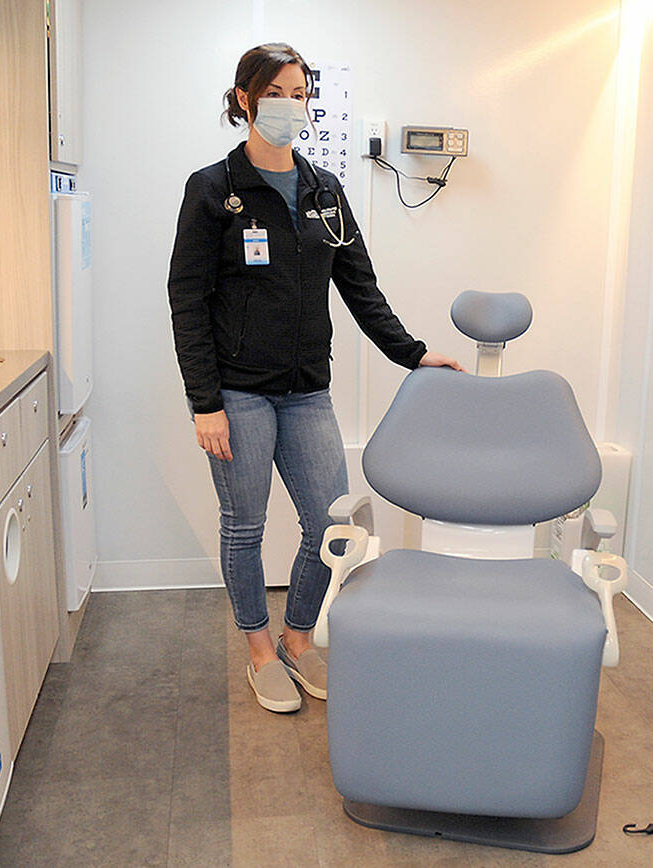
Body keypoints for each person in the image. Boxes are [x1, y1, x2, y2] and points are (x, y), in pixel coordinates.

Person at [167, 43, 461, 713]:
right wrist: (205, 402)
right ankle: (259, 651)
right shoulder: (213, 190)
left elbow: (360, 286)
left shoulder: (324, 191)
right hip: (237, 393)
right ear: (244, 99)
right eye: (275, 93)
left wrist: (412, 353)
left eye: (299, 94)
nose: (289, 105)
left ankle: (297, 639)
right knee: (245, 527)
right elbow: (187, 300)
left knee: (330, 524)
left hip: (306, 391)